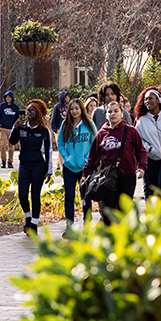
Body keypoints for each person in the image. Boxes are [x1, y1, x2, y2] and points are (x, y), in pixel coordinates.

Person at [82, 101, 147, 225]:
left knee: (125, 212)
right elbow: (92, 158)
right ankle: (110, 240)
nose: (113, 114)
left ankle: (125, 240)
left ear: (122, 114)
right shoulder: (101, 134)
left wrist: (142, 167)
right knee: (108, 212)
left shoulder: (131, 131)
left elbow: (141, 151)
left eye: (116, 111)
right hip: (108, 179)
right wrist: (85, 174)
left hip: (127, 178)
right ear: (106, 115)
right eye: (110, 111)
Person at [9, 99, 53, 235]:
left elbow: (49, 151)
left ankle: (33, 223)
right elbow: (12, 141)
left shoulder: (44, 131)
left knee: (35, 194)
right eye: (27, 110)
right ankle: (28, 216)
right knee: (22, 194)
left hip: (38, 165)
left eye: (32, 110)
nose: (29, 113)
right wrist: (15, 127)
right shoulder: (21, 127)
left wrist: (49, 170)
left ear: (38, 113)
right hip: (24, 165)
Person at [57, 98, 97, 233]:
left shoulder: (89, 124)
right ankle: (69, 227)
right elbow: (61, 143)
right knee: (69, 197)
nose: (74, 111)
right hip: (69, 167)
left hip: (84, 168)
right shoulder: (65, 124)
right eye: (72, 109)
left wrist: (88, 159)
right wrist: (66, 158)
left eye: (77, 108)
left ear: (81, 109)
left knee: (86, 197)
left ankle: (88, 227)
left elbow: (95, 143)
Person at [134, 86, 161, 198]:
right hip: (150, 159)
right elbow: (138, 141)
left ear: (159, 99)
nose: (147, 101)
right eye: (145, 99)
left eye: (150, 98)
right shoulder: (142, 121)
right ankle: (151, 215)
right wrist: (148, 149)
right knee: (150, 190)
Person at [0, 90, 20, 169]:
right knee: (3, 145)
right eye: (6, 97)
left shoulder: (16, 107)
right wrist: (1, 123)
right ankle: (3, 160)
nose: (8, 99)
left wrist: (16, 125)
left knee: (11, 146)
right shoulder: (2, 106)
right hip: (3, 128)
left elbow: (18, 117)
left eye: (9, 97)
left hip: (12, 129)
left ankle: (10, 161)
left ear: (12, 98)